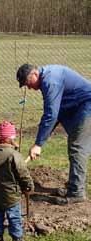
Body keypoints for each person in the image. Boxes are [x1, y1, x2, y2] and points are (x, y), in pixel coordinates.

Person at [16, 63, 91, 205]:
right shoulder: (47, 78)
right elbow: (54, 114)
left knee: (77, 148)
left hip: (87, 106)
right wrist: (41, 141)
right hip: (78, 107)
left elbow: (51, 114)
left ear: (35, 74)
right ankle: (73, 187)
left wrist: (38, 144)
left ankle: (77, 193)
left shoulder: (50, 82)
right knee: (76, 147)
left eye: (28, 83)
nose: (29, 88)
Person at [0, 121, 34, 241]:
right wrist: (28, 186)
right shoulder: (14, 155)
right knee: (14, 217)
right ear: (11, 139)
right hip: (11, 196)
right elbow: (23, 174)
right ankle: (17, 237)